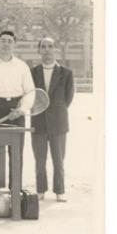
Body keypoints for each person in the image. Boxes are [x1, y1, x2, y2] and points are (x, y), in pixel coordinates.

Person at [0, 30, 35, 189]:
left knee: (16, 154)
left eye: (10, 41)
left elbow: (30, 92)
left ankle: (15, 191)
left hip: (16, 111)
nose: (6, 44)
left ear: (14, 44)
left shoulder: (22, 66)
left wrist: (21, 110)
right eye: (3, 40)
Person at [30, 37, 74, 202]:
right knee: (39, 160)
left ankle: (59, 191)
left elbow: (68, 98)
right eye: (43, 46)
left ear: (54, 49)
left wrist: (56, 111)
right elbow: (30, 96)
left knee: (59, 160)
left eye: (50, 46)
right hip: (38, 121)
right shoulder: (32, 72)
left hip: (59, 122)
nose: (47, 50)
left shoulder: (66, 73)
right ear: (39, 50)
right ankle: (41, 190)